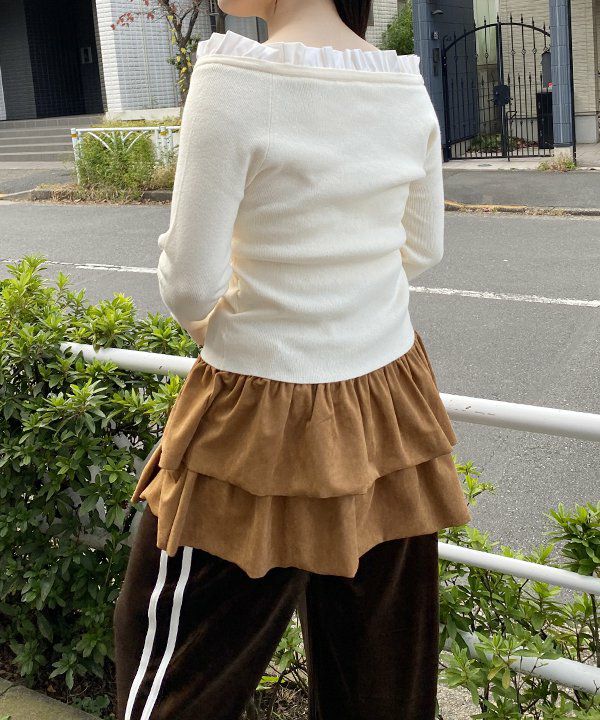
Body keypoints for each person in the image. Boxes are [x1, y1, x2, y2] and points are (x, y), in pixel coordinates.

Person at [112, 1, 472, 718]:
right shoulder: (402, 84)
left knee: (174, 676)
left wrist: (234, 328)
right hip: (388, 408)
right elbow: (423, 248)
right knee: (380, 679)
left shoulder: (233, 79)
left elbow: (191, 284)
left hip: (255, 416)